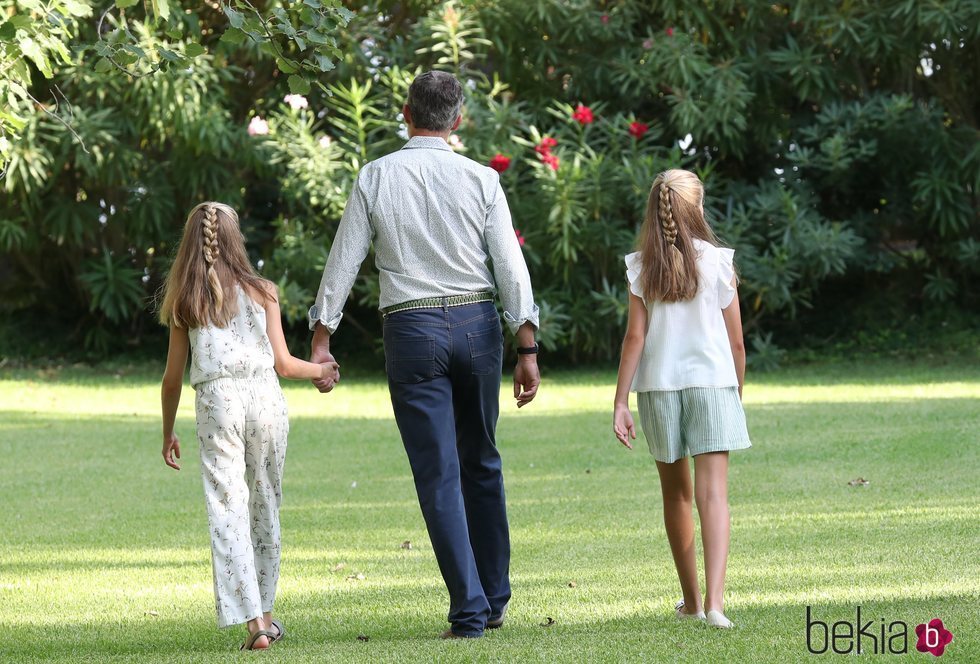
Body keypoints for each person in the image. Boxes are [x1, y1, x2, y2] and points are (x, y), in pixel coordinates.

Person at [306, 70, 541, 639]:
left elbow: (344, 259)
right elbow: (510, 266)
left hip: (410, 332)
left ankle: (469, 610)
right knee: (482, 460)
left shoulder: (376, 176)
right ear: (457, 120)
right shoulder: (483, 180)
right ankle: (495, 596)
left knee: (438, 474)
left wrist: (321, 335)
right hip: (478, 327)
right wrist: (527, 345)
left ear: (406, 113)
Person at [158, 202, 339, 650]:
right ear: (236, 239)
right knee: (265, 503)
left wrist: (168, 432)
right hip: (265, 400)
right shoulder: (263, 291)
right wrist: (323, 371)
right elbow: (284, 364)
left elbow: (171, 378)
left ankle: (254, 624)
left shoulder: (186, 299)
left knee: (228, 509)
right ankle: (269, 612)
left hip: (216, 401)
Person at [612, 170, 751, 629]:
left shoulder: (641, 267)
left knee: (677, 496)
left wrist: (620, 403)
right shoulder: (718, 262)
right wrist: (737, 392)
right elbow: (736, 345)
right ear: (697, 208)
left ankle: (690, 603)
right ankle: (715, 605)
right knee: (714, 496)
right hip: (713, 384)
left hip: (658, 389)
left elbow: (635, 338)